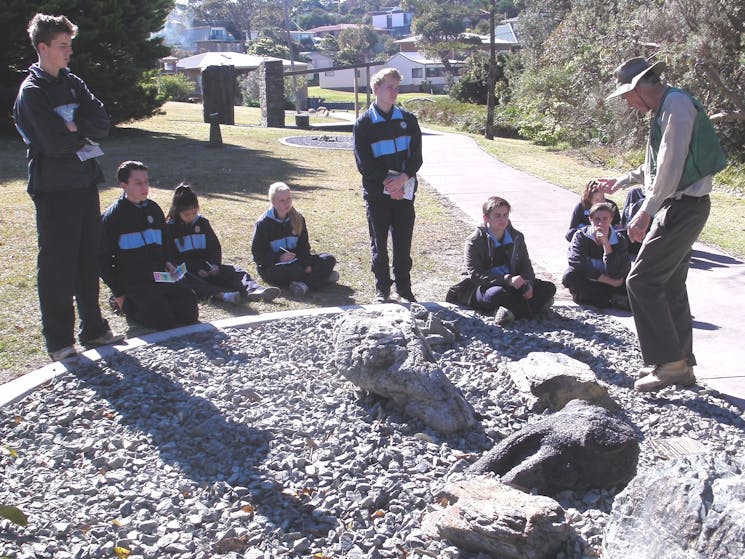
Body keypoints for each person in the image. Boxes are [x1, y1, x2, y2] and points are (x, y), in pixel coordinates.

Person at [600, 57, 727, 392]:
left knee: (641, 282)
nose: (627, 101)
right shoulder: (664, 109)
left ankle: (669, 364)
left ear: (642, 87)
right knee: (669, 284)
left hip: (682, 207)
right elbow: (657, 163)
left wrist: (646, 210)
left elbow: (671, 166)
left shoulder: (677, 105)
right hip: (680, 205)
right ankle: (681, 365)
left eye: (627, 94)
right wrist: (623, 180)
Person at [13, 13, 123, 361]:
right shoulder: (31, 93)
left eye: (70, 45)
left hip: (85, 181)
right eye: (62, 46)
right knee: (58, 264)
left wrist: (75, 127)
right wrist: (76, 130)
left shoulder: (74, 83)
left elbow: (102, 123)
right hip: (54, 189)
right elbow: (52, 142)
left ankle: (94, 328)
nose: (69, 52)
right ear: (43, 47)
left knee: (87, 257)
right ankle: (59, 340)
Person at [100, 161, 199, 331]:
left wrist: (169, 262)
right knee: (162, 322)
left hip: (160, 276)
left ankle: (159, 303)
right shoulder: (112, 217)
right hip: (135, 281)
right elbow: (102, 260)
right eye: (138, 183)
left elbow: (166, 244)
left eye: (146, 181)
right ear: (124, 185)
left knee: (189, 313)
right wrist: (119, 293)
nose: (144, 187)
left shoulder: (154, 209)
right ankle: (124, 304)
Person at [353, 67, 423, 303]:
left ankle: (404, 289)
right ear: (375, 88)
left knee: (403, 246)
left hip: (405, 193)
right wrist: (388, 184)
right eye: (389, 87)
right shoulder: (363, 124)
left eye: (397, 88)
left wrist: (402, 180)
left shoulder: (408, 119)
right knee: (379, 247)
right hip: (377, 196)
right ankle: (382, 290)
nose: (394, 92)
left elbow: (416, 157)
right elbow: (364, 163)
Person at [448, 196, 556, 324]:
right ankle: (532, 307)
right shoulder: (474, 240)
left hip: (513, 284)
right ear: (486, 218)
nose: (503, 219)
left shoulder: (517, 237)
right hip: (484, 287)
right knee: (497, 294)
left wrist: (528, 284)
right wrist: (507, 280)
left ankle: (511, 313)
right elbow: (476, 275)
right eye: (497, 216)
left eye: (505, 215)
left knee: (549, 287)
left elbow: (526, 266)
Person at [166, 184, 280, 305]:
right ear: (177, 212)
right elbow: (171, 258)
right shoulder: (169, 228)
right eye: (186, 215)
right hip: (188, 271)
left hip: (207, 269)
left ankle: (254, 290)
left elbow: (214, 248)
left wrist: (214, 265)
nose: (191, 218)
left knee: (236, 271)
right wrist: (196, 269)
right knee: (182, 279)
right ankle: (221, 295)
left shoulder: (203, 223)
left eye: (194, 213)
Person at [251, 182, 338, 296]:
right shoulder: (263, 223)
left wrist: (307, 264)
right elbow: (258, 255)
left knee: (329, 259)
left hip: (298, 262)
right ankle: (322, 279)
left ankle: (304, 285)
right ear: (273, 202)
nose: (287, 203)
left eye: (289, 198)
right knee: (294, 270)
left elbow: (304, 246)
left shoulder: (298, 218)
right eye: (282, 200)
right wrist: (279, 258)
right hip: (274, 267)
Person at [563, 202, 631, 310]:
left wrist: (606, 245)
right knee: (569, 276)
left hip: (612, 281)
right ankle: (610, 299)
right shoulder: (581, 236)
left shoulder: (619, 239)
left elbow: (619, 271)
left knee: (630, 282)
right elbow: (576, 262)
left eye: (605, 219)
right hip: (592, 280)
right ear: (590, 219)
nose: (601, 223)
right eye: (597, 219)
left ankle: (600, 298)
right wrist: (606, 280)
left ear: (611, 219)